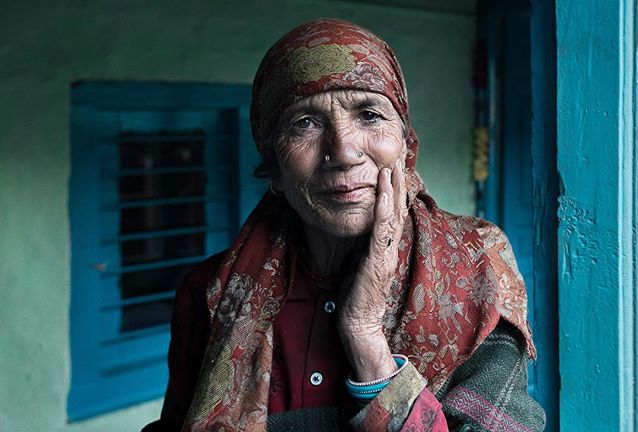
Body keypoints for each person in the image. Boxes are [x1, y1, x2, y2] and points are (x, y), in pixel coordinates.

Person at [144, 19, 545, 432]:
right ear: (275, 170)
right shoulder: (211, 294)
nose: (344, 151)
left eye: (370, 115)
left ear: (406, 149)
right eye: (305, 123)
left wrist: (366, 338)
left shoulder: (475, 265)